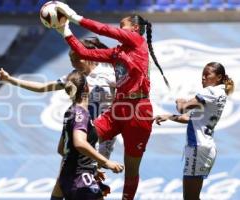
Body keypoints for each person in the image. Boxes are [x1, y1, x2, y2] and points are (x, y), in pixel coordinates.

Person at [55, 3, 169, 199]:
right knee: (80, 142)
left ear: (135, 28)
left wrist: (75, 17)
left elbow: (104, 30)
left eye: (122, 25)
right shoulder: (117, 53)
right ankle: (65, 192)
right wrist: (64, 30)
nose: (119, 29)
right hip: (118, 110)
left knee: (131, 169)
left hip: (138, 111)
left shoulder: (137, 41)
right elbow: (84, 53)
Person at [0, 37, 117, 199]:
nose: (73, 64)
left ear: (87, 56)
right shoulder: (75, 79)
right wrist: (10, 80)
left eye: (75, 59)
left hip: (100, 136)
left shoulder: (108, 74)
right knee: (71, 181)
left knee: (77, 181)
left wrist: (147, 114)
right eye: (70, 60)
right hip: (81, 134)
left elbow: (130, 96)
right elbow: (43, 87)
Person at [155, 62, 234, 200]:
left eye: (207, 75)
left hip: (198, 148)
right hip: (205, 148)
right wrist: (168, 116)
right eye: (202, 75)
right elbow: (189, 118)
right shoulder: (220, 93)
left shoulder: (210, 91)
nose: (203, 78)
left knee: (190, 198)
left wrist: (180, 101)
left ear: (219, 77)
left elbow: (182, 108)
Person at [56, 70, 124, 200]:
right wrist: (105, 162)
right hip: (80, 180)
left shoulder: (70, 111)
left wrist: (91, 168)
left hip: (73, 177)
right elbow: (79, 143)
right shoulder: (81, 114)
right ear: (87, 87)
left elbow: (61, 149)